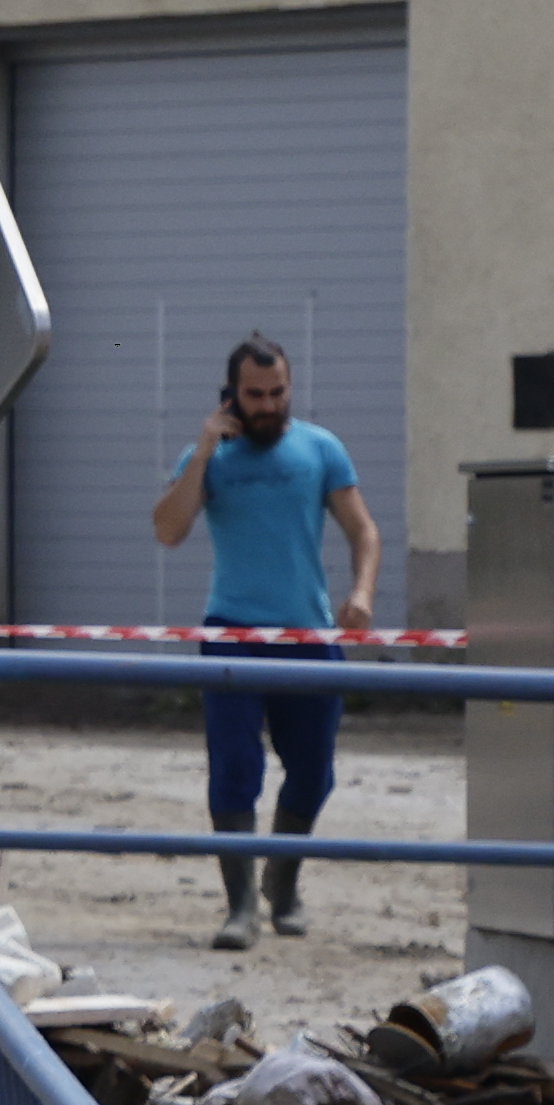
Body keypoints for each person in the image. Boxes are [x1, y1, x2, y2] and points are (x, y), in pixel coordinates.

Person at [145, 334, 381, 949]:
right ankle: (240, 904)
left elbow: (364, 531)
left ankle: (283, 881)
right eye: (255, 395)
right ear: (232, 394)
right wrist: (200, 453)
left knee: (312, 771)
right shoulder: (212, 458)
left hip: (309, 633)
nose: (268, 405)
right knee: (235, 766)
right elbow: (168, 531)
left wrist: (361, 593)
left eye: (278, 393)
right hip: (232, 635)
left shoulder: (320, 448)